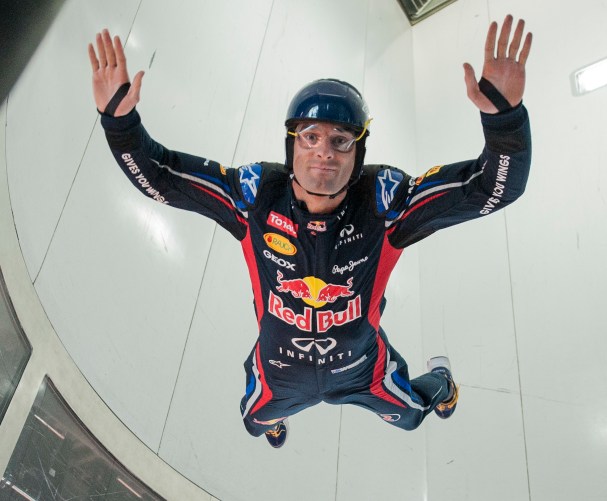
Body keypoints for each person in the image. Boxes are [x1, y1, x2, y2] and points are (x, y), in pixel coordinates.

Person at [88, 15, 532, 449]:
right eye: (310, 137)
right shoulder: (254, 195)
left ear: (358, 154)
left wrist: (505, 120)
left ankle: (442, 381)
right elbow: (161, 178)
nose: (324, 153)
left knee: (412, 417)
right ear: (291, 143)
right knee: (255, 424)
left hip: (363, 369)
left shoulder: (385, 202)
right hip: (279, 372)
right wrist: (119, 122)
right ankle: (278, 418)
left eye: (341, 140)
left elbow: (490, 190)